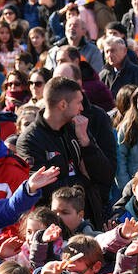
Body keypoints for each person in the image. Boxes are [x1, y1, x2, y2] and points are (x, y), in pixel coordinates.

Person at [16, 77, 113, 230]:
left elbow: (105, 175)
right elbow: (44, 188)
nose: (82, 108)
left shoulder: (77, 128)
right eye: (78, 102)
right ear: (62, 104)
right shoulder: (30, 140)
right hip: (53, 225)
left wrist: (86, 142)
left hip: (88, 217)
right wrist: (83, 179)